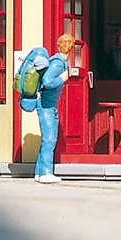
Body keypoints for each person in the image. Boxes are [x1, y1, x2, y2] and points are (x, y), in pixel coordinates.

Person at [35, 33, 74, 184]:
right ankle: (46, 173)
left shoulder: (56, 61)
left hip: (48, 104)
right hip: (47, 105)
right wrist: (62, 78)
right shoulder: (58, 63)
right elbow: (47, 81)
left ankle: (39, 172)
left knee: (47, 138)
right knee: (50, 139)